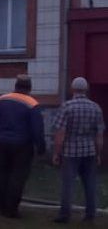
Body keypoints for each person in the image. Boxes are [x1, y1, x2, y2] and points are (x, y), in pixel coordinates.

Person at [0, 74, 46, 218]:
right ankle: (11, 210)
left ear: (15, 86)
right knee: (17, 177)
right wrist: (41, 148)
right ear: (29, 88)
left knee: (3, 176)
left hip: (4, 144)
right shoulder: (32, 104)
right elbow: (37, 129)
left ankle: (2, 207)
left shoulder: (1, 100)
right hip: (22, 146)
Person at [52, 76, 105, 224]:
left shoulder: (67, 107)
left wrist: (57, 153)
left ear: (72, 89)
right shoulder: (96, 108)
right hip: (90, 152)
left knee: (68, 184)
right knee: (90, 183)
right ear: (86, 89)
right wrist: (98, 154)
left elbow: (60, 134)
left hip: (70, 152)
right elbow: (99, 136)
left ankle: (65, 215)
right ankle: (90, 215)